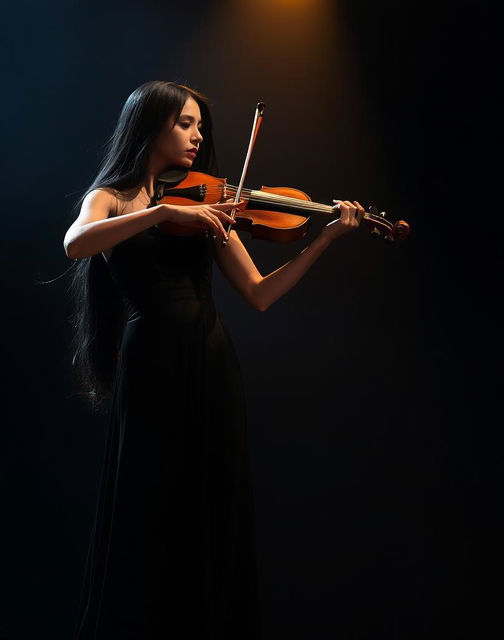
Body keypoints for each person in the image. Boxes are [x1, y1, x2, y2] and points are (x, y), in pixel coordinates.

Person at [63, 80, 364, 639]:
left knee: (211, 504)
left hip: (210, 359)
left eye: (200, 125)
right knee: (149, 506)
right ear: (150, 124)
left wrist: (322, 240)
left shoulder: (211, 204)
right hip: (150, 364)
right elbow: (76, 244)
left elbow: (259, 293)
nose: (199, 135)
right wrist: (158, 214)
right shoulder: (114, 197)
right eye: (185, 123)